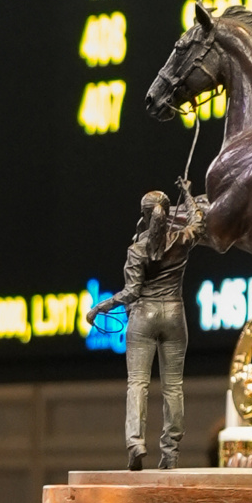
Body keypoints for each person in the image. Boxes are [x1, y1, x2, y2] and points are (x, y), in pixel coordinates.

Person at [89, 185, 198, 469]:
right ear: (168, 213)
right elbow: (198, 221)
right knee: (173, 386)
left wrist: (100, 307)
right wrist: (187, 194)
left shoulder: (137, 250)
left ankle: (136, 443)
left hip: (143, 317)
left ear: (145, 215)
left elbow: (131, 293)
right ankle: (171, 452)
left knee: (138, 383)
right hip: (174, 315)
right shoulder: (182, 240)